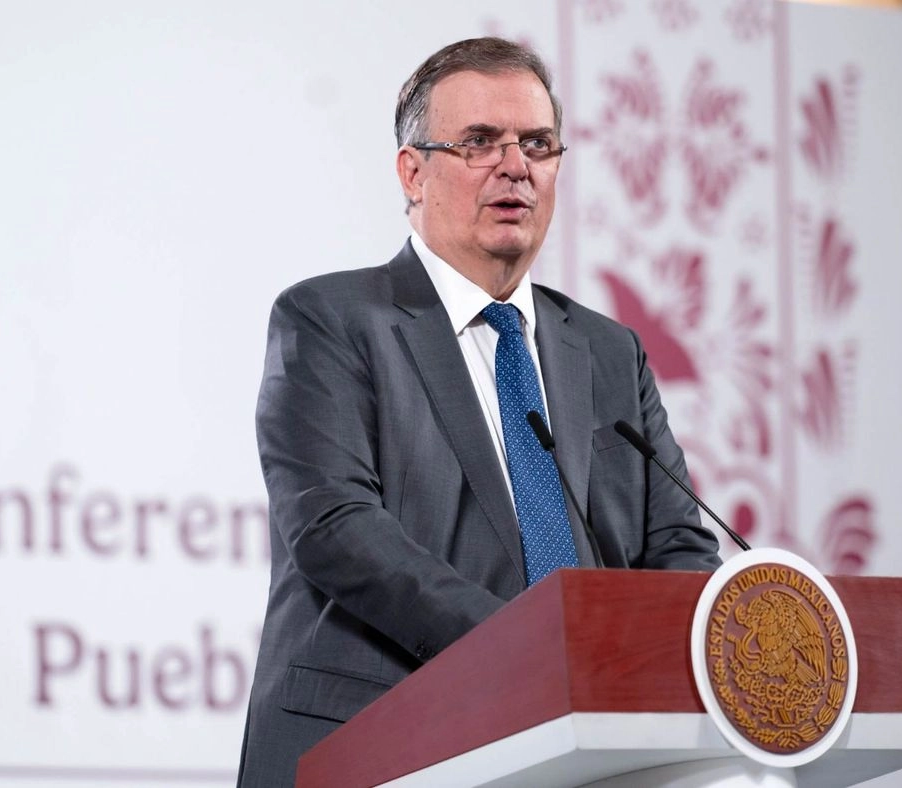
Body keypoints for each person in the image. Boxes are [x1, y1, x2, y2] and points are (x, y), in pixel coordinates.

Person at [236, 36, 720, 786]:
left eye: (537, 143)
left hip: (598, 756)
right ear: (413, 171)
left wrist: (640, 662)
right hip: (385, 742)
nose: (515, 165)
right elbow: (335, 529)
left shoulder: (608, 351)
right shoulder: (331, 319)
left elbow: (680, 546)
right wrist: (532, 650)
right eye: (480, 142)